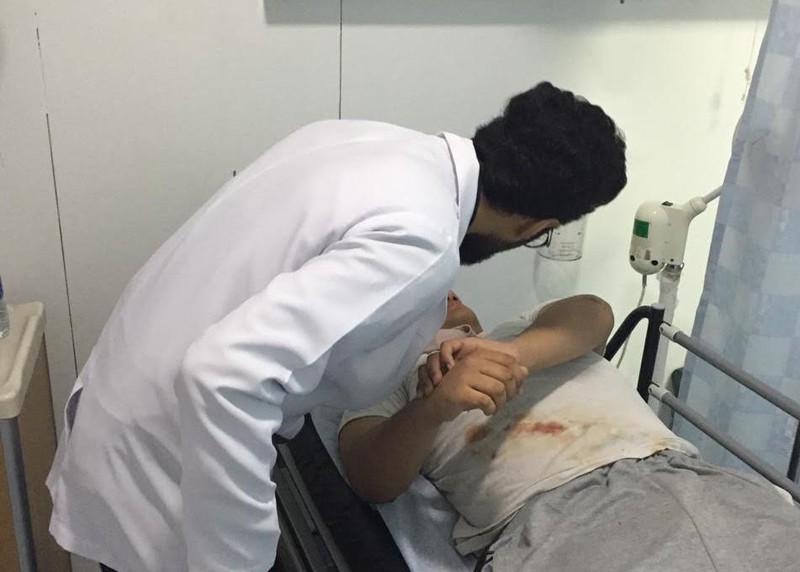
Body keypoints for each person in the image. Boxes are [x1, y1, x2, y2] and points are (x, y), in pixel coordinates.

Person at [47, 82, 627, 572]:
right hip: (166, 453)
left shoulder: (359, 139)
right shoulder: (421, 238)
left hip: (125, 401)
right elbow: (225, 374)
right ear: (536, 225)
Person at [338, 292, 800, 571]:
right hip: (556, 519)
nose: (447, 291)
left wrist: (509, 353)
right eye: (421, 295)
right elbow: (371, 478)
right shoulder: (393, 386)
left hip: (683, 475)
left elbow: (596, 313)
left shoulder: (524, 330)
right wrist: (433, 407)